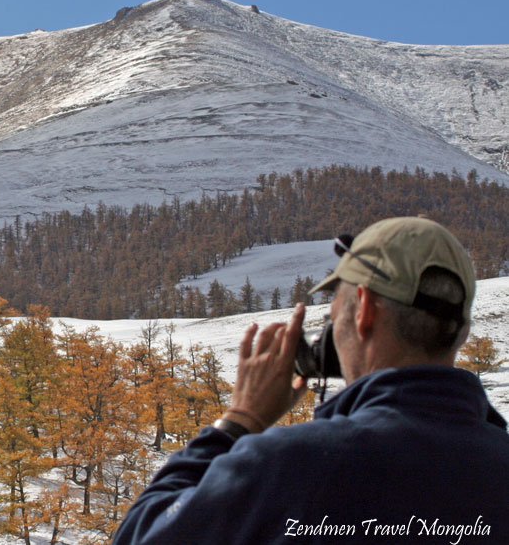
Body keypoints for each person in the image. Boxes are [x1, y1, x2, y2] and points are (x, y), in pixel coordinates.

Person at [112, 217, 509, 544]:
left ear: (364, 309)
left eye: (332, 310)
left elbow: (142, 536)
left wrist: (239, 420)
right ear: (458, 330)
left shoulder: (296, 467)